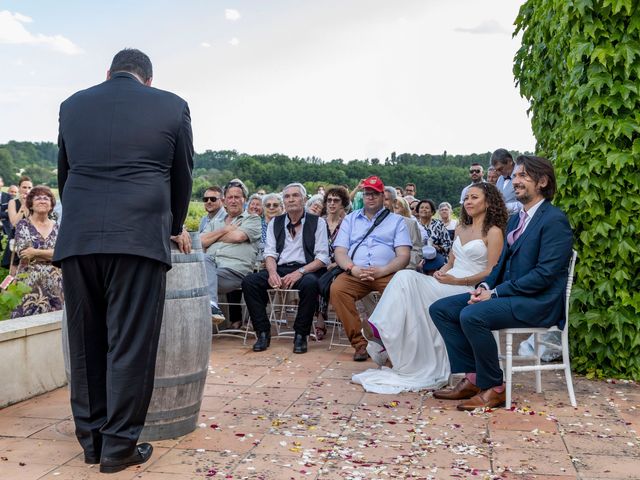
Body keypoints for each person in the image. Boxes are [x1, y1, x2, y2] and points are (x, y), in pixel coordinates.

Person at [54, 49, 193, 473]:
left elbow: (65, 173)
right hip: (138, 239)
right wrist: (173, 223)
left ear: (108, 72)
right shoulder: (172, 105)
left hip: (79, 239)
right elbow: (182, 175)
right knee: (129, 346)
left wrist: (82, 222)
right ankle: (118, 448)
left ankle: (92, 443)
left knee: (85, 345)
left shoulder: (72, 105)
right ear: (148, 79)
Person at [430, 155, 573, 410]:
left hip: (537, 302)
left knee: (473, 315)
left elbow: (545, 274)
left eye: (522, 176)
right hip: (509, 296)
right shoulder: (517, 220)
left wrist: (494, 293)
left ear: (542, 181)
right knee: (441, 309)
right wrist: (484, 287)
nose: (515, 181)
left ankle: (494, 387)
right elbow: (498, 265)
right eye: (515, 176)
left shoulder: (554, 220)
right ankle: (473, 378)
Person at [352, 182, 507, 394]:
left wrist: (456, 281)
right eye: (467, 198)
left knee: (408, 281)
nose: (468, 202)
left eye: (474, 197)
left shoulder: (494, 231)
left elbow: (492, 271)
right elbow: (451, 263)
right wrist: (441, 272)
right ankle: (382, 333)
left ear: (488, 202)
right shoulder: (461, 228)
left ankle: (382, 333)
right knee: (405, 275)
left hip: (469, 287)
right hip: (447, 280)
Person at [330, 175, 411, 361]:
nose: (371, 197)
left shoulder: (396, 221)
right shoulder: (350, 219)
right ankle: (360, 345)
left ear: (383, 196)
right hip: (356, 272)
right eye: (367, 194)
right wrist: (352, 268)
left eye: (375, 194)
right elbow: (340, 251)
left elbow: (404, 255)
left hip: (386, 272)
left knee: (401, 295)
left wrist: (383, 271)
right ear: (363, 196)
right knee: (338, 290)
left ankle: (392, 344)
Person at [242, 183, 329, 354]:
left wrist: (300, 272)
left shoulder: (317, 222)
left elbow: (322, 257)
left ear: (304, 199)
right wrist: (272, 273)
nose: (291, 199)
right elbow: (270, 253)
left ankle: (300, 334)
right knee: (249, 282)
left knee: (310, 285)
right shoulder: (276, 222)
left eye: (295, 195)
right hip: (280, 267)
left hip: (307, 268)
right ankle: (263, 332)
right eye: (287, 196)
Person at [201, 180, 261, 326]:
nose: (233, 201)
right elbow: (201, 241)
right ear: (224, 201)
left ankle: (210, 307)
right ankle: (211, 308)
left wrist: (214, 238)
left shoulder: (252, 219)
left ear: (244, 200)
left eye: (237, 197)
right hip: (211, 270)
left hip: (234, 272)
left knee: (198, 277)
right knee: (203, 260)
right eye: (230, 197)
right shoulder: (216, 222)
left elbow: (238, 237)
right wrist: (225, 230)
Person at [10, 186, 64, 318]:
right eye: (38, 198)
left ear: (51, 205)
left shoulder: (58, 227)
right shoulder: (23, 224)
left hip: (55, 284)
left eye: (46, 198)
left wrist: (34, 252)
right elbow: (23, 253)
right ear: (31, 204)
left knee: (53, 324)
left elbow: (62, 253)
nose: (42, 200)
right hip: (28, 283)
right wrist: (51, 253)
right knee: (24, 323)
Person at [315, 186, 349, 340]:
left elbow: (353, 248)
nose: (332, 203)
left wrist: (337, 263)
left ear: (343, 203)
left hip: (340, 266)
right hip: (320, 263)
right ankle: (320, 319)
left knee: (332, 279)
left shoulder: (348, 224)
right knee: (316, 279)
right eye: (329, 200)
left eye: (336, 200)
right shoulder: (318, 223)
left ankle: (341, 317)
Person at [2, 176, 33, 273]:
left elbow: (31, 222)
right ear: (19, 188)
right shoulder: (13, 202)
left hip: (31, 238)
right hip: (16, 238)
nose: (27, 190)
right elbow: (14, 223)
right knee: (14, 270)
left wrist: (28, 204)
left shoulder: (34, 203)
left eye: (29, 188)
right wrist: (23, 205)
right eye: (24, 187)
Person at [416, 199, 453, 273]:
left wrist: (438, 247)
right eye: (421, 207)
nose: (424, 209)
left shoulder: (438, 224)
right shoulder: (414, 224)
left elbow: (448, 244)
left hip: (437, 259)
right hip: (418, 258)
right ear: (418, 211)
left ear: (432, 212)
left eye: (427, 208)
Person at [393, 197, 423, 270]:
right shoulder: (380, 224)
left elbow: (416, 249)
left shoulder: (411, 224)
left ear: (404, 209)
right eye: (391, 208)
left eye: (396, 208)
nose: (393, 211)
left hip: (405, 268)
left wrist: (407, 267)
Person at [492, 148, 521, 215]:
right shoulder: (500, 179)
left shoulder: (523, 174)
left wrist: (508, 207)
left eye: (500, 169)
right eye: (496, 170)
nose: (498, 173)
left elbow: (531, 201)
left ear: (509, 161)